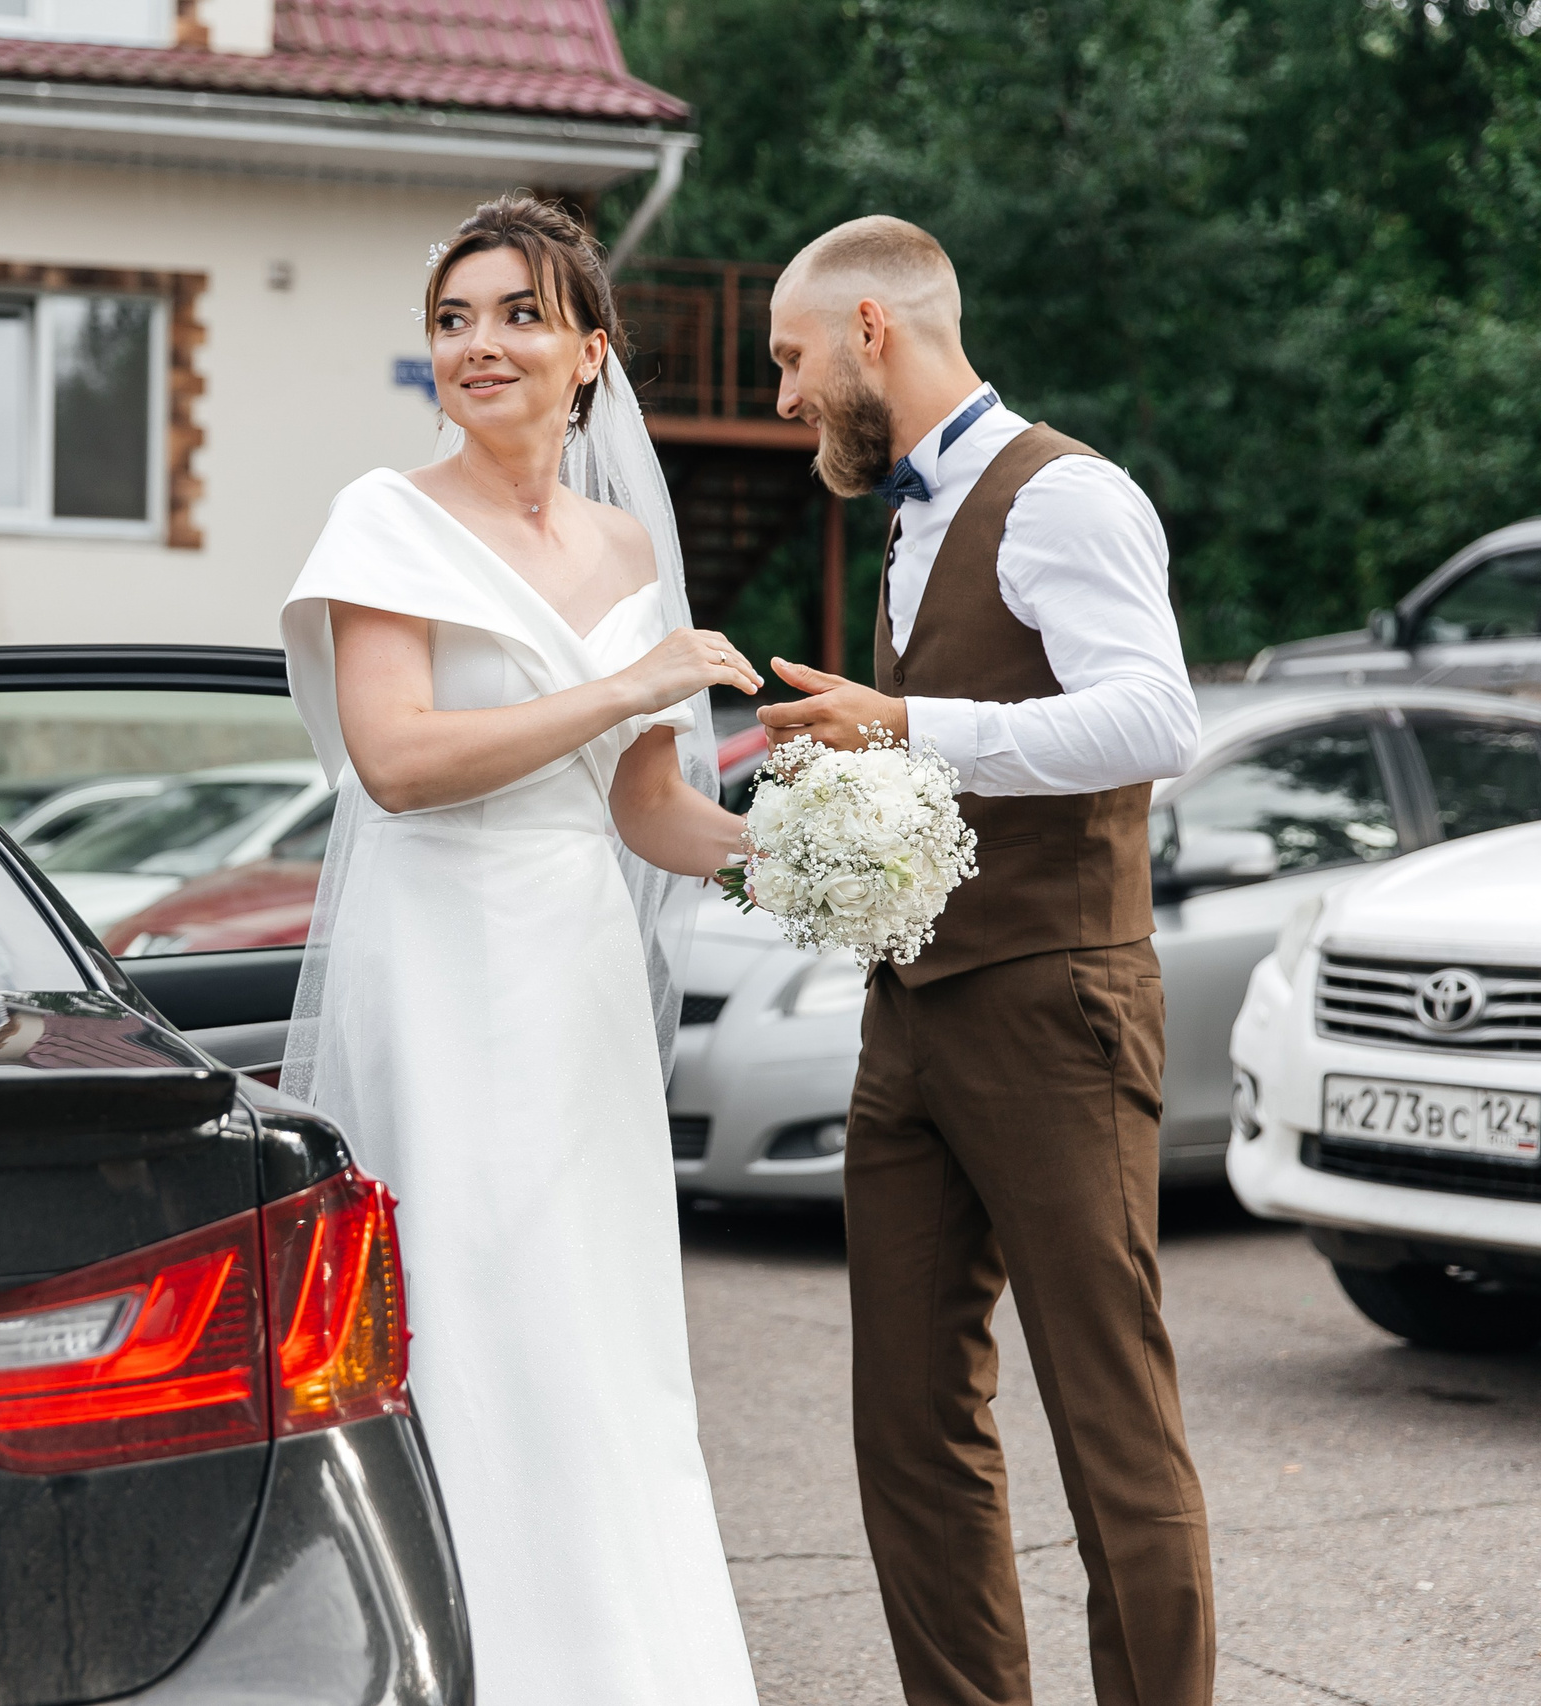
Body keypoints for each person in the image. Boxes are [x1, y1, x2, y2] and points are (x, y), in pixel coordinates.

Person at [279, 194, 763, 1703]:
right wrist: (625, 689)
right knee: (469, 1305)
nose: (478, 345)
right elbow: (397, 762)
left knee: (597, 1325)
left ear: (590, 352)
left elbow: (648, 810)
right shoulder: (386, 519)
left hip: (577, 970)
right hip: (439, 958)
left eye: (517, 315)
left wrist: (811, 857)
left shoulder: (627, 545)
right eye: (452, 320)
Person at [760, 215, 1214, 1706]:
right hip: (912, 1014)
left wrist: (905, 725)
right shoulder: (910, 515)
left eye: (792, 360)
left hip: (1055, 1005)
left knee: (1107, 1413)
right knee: (906, 1417)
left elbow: (1156, 719)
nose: (784, 396)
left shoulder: (1064, 493)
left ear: (871, 330)